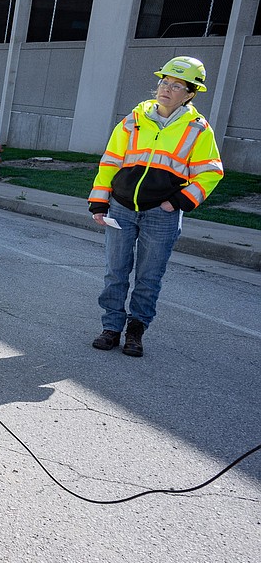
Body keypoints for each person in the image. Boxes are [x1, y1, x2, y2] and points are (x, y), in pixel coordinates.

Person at [88, 56, 224, 357]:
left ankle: (136, 331)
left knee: (149, 277)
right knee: (115, 272)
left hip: (161, 214)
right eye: (164, 82)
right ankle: (111, 327)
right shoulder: (134, 120)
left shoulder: (198, 130)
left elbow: (211, 171)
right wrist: (99, 200)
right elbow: (110, 161)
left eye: (176, 85)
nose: (166, 89)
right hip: (122, 207)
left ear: (190, 93)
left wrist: (177, 202)